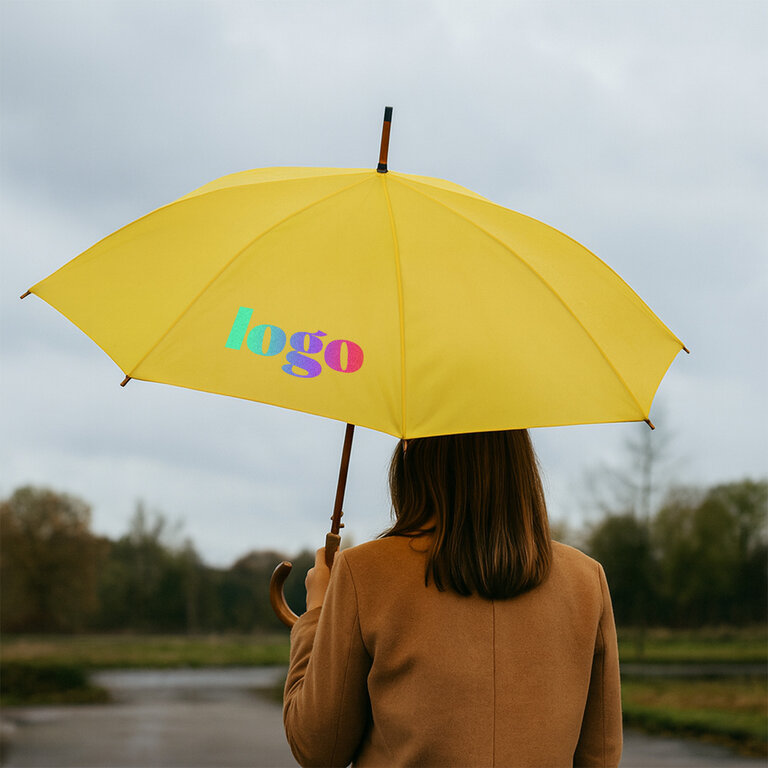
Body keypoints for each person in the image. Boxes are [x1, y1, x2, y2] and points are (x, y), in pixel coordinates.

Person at [283, 430, 622, 767]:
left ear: (416, 457)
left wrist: (317, 614)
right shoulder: (586, 580)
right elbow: (600, 757)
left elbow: (318, 749)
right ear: (518, 461)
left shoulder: (364, 572)